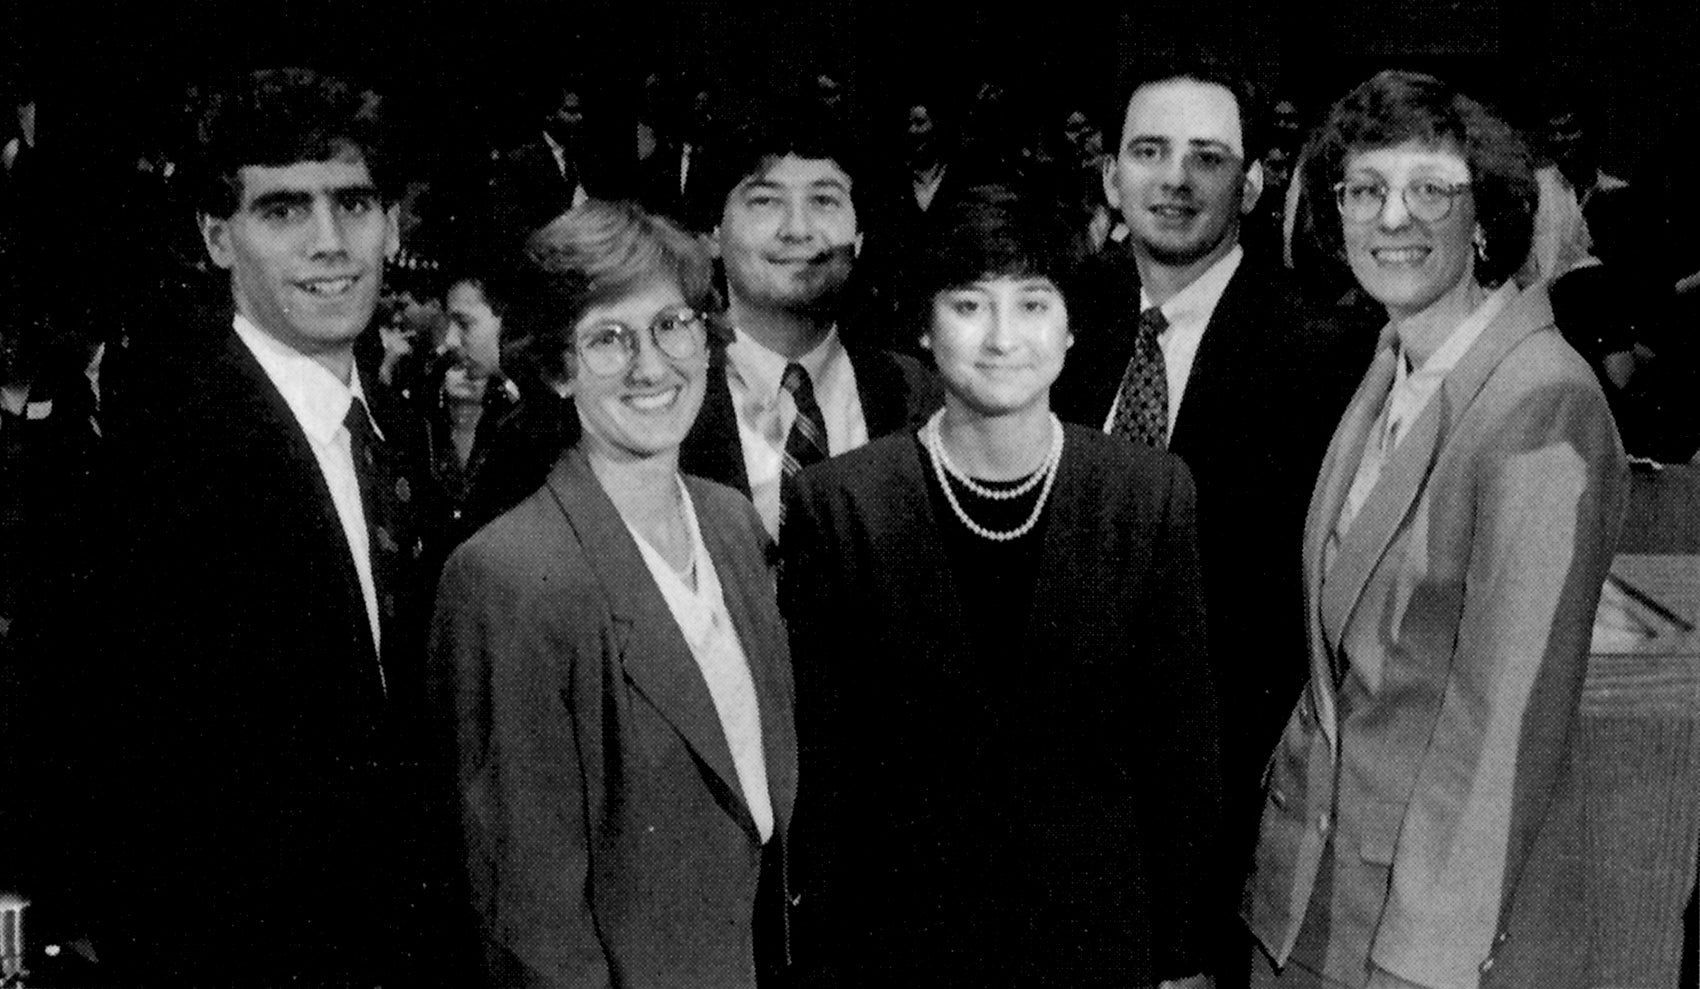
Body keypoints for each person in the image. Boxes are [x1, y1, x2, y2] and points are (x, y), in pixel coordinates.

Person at [1244, 70, 1627, 988]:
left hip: (1401, 940)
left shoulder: (1541, 400)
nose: (1392, 218)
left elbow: (1503, 730)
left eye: (1431, 191)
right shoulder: (1392, 362)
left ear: (1487, 216)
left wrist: (1421, 966)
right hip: (1305, 892)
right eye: (1366, 190)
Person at [783, 183, 1219, 988]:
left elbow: (1180, 751)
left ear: (1071, 322)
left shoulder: (1148, 493)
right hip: (902, 946)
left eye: (1032, 303)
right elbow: (826, 771)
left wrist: (1184, 955)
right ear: (924, 323)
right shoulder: (840, 502)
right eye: (969, 305)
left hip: (1097, 941)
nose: (1002, 337)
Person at [80, 67, 455, 986]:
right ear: (217, 238)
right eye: (283, 210)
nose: (331, 244)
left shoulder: (403, 431)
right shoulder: (151, 468)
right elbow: (114, 800)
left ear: (393, 224)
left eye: (353, 204)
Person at [431, 199, 797, 988]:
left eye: (672, 324)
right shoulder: (509, 577)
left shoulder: (731, 524)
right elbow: (531, 925)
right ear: (557, 370)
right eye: (607, 339)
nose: (651, 365)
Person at [1054, 54, 1371, 903]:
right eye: (1150, 152)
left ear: (1257, 183)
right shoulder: (1056, 321)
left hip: (1227, 805)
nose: (1176, 180)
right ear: (1112, 179)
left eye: (1209, 157)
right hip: (1053, 783)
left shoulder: (1323, 356)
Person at [682, 97, 941, 537]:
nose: (798, 229)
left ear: (858, 236)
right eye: (765, 201)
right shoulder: (670, 393)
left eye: (824, 200)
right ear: (712, 235)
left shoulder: (916, 393)